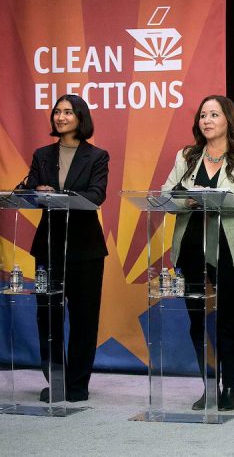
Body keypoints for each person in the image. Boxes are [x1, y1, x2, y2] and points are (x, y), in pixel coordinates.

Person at [162, 95, 234, 411]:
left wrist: (221, 198)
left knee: (230, 322)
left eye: (214, 114)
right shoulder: (187, 157)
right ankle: (209, 385)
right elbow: (168, 196)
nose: (207, 120)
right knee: (199, 322)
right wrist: (189, 201)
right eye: (203, 115)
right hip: (193, 248)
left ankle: (231, 386)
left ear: (227, 120)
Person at [24, 94, 109, 403]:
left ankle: (77, 384)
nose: (60, 117)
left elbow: (96, 194)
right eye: (57, 112)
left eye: (67, 112)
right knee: (47, 315)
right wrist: (35, 189)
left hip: (85, 249)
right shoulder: (42, 154)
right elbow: (27, 186)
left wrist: (60, 194)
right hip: (48, 246)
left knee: (85, 317)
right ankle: (55, 379)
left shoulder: (97, 156)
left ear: (80, 118)